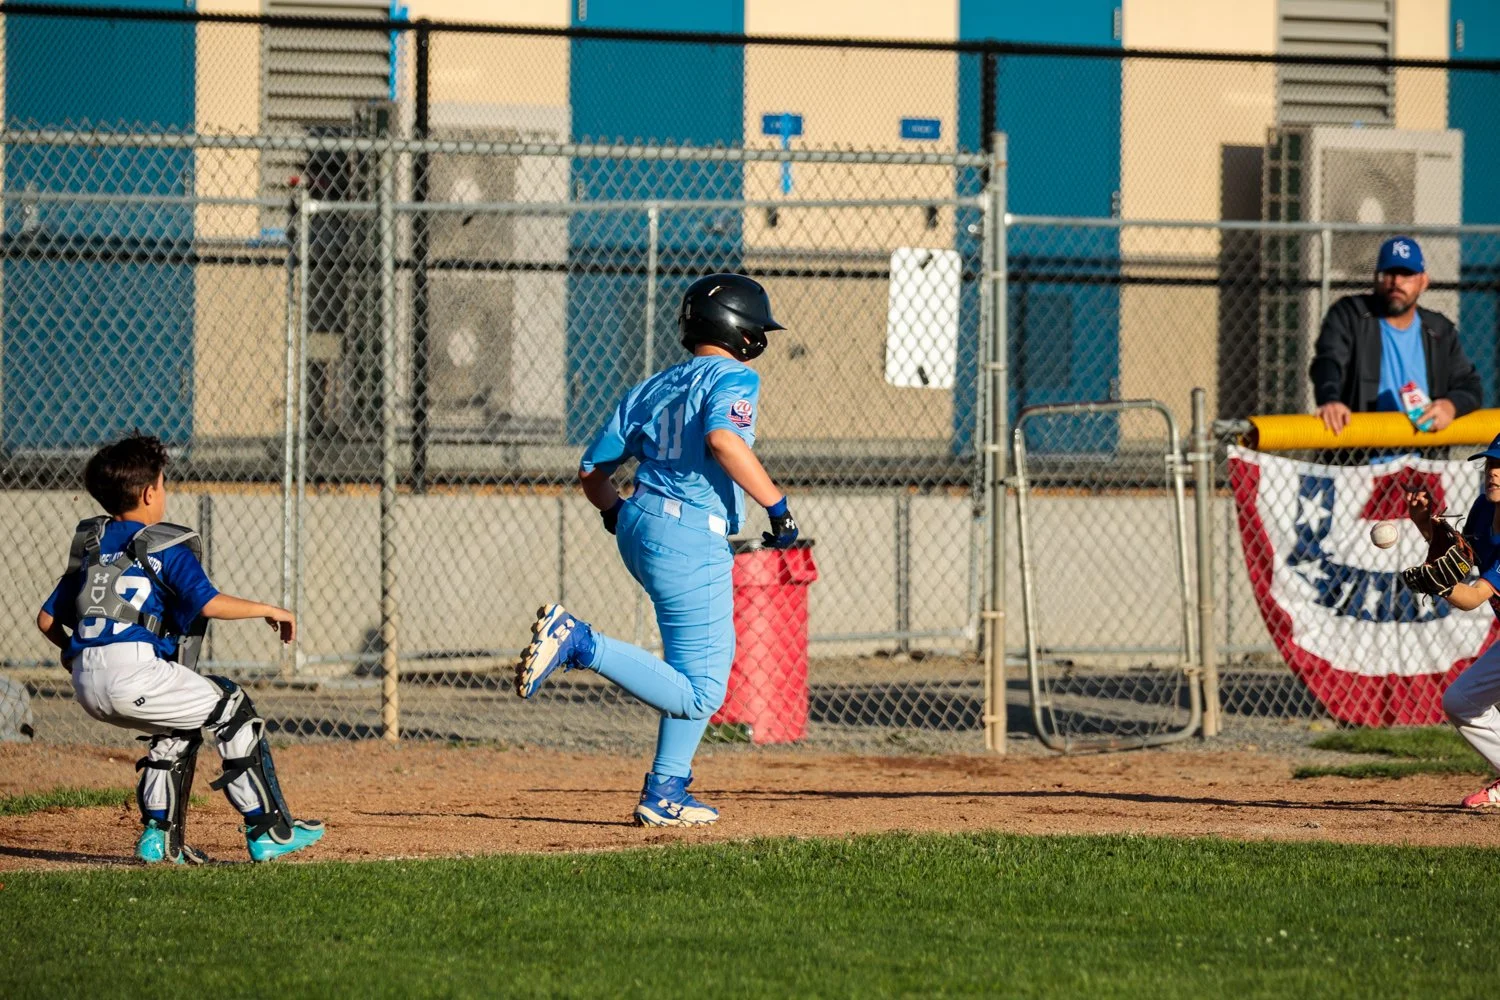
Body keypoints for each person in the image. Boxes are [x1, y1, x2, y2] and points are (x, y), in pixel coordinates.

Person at [513, 273, 799, 827]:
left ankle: (666, 790)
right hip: (689, 533)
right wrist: (778, 506)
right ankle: (580, 644)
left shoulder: (653, 385)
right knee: (701, 693)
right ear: (740, 330)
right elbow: (723, 439)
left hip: (638, 521)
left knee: (695, 669)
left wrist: (617, 514)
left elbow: (592, 471)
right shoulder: (734, 375)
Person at [36, 435, 324, 863]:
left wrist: (71, 652)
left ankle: (160, 842)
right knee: (232, 705)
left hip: (85, 682)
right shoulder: (162, 543)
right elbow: (207, 602)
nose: (164, 492)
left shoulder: (93, 546)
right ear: (150, 492)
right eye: (163, 483)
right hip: (133, 672)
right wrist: (268, 609)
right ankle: (268, 829)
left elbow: (46, 621)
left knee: (179, 726)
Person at [1311, 236, 1482, 439]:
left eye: (1406, 274)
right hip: (1362, 460)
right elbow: (1328, 362)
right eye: (1389, 273)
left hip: (1423, 461)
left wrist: (1451, 405)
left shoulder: (1438, 330)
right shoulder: (1350, 315)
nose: (1396, 282)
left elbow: (1471, 386)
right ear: (1376, 277)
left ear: (1423, 281)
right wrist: (1331, 400)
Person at [1408, 433, 1500, 808]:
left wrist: (1441, 587)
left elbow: (1472, 596)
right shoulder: (1482, 509)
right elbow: (1457, 553)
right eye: (1492, 463)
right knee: (1461, 701)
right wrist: (1422, 521)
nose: (1494, 472)